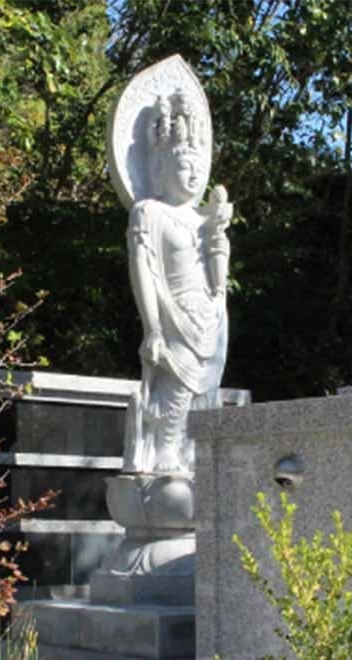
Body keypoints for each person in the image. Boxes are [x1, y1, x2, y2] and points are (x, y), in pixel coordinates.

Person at [122, 89, 231, 475]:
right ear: (159, 168)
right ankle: (165, 450)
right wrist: (152, 327)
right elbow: (142, 270)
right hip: (173, 311)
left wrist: (218, 235)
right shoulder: (149, 212)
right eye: (185, 166)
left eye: (199, 167)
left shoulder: (202, 220)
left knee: (205, 390)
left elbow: (218, 279)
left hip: (208, 315)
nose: (195, 175)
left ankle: (190, 451)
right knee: (176, 386)